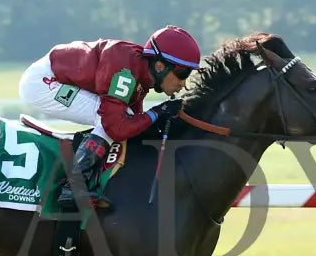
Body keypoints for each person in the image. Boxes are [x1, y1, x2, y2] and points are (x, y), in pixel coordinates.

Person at [18, 25, 202, 209]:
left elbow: (135, 124)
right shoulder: (125, 71)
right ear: (160, 66)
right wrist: (157, 112)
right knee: (112, 120)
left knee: (127, 118)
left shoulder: (141, 74)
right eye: (182, 73)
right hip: (44, 82)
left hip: (59, 76)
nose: (183, 84)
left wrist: (156, 119)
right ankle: (73, 186)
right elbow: (115, 126)